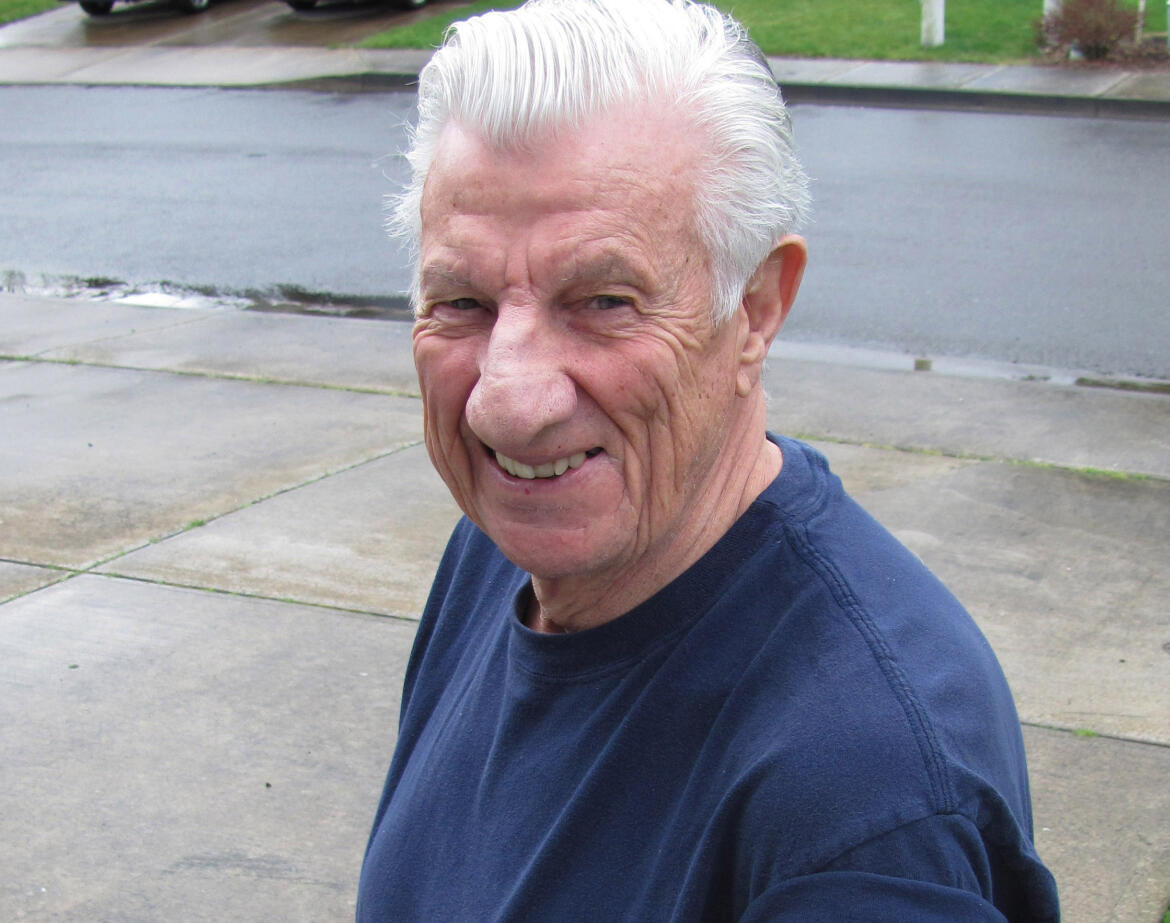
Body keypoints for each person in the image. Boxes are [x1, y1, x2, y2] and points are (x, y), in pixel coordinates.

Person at [357, 0, 1060, 918]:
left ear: (758, 307)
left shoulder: (860, 802)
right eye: (462, 302)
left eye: (603, 300)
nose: (507, 400)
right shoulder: (502, 548)